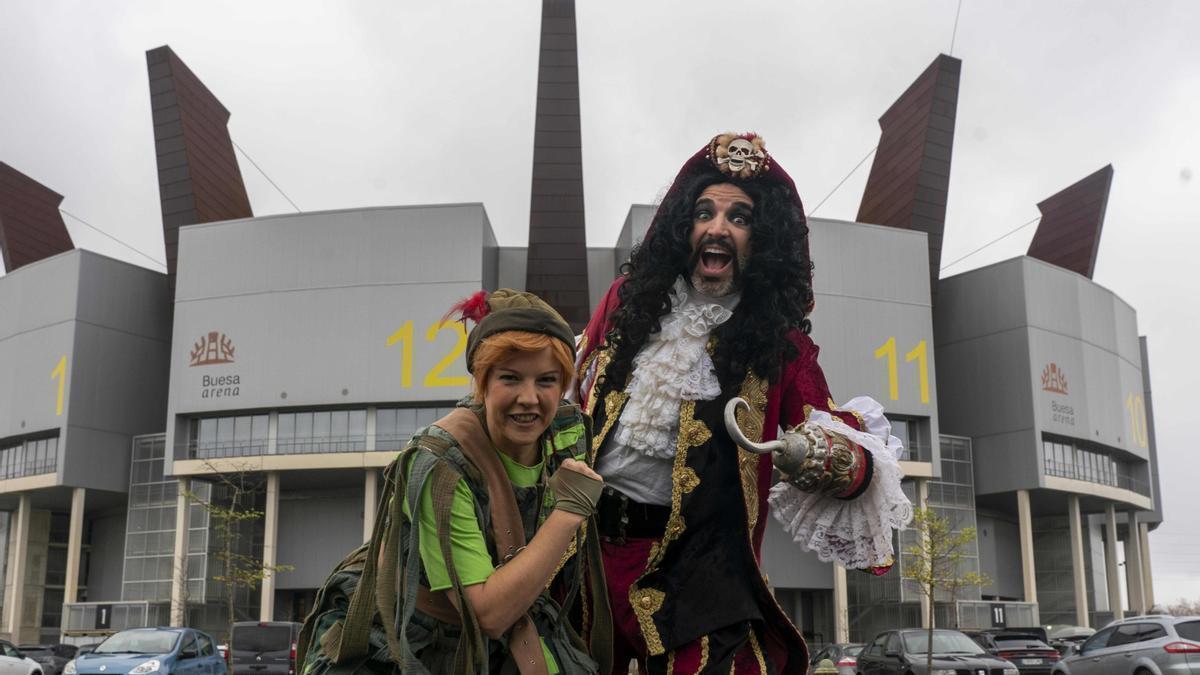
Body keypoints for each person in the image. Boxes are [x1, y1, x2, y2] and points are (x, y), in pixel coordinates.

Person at [574, 133, 912, 674]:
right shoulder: (626, 304)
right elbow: (572, 392)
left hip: (699, 575)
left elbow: (844, 443)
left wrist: (835, 457)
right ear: (684, 227)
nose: (717, 227)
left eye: (740, 217)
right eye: (704, 212)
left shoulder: (779, 346)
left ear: (763, 240)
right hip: (582, 557)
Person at [300, 289, 612, 675]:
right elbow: (489, 613)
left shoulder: (565, 432)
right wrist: (567, 514)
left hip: (511, 612)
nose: (529, 398)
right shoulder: (440, 464)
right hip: (409, 632)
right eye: (510, 379)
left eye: (547, 380)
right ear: (481, 382)